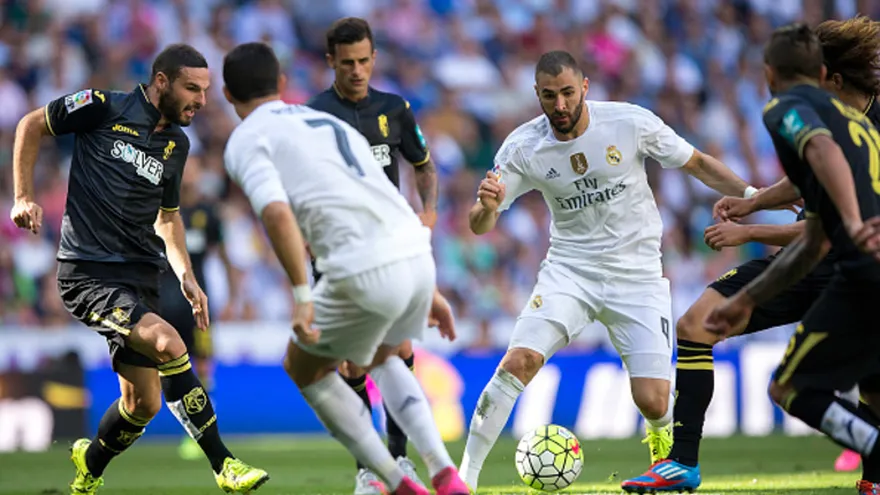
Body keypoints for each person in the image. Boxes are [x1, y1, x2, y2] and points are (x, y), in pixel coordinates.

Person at [458, 49, 755, 492]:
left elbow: (695, 162)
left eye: (567, 93)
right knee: (516, 363)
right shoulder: (522, 147)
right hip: (569, 270)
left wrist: (754, 195)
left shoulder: (629, 122)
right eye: (548, 96)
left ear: (585, 89)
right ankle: (464, 480)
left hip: (636, 274)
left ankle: (661, 448)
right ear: (536, 95)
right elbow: (481, 225)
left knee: (653, 400)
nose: (559, 105)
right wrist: (484, 207)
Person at [623, 15, 880, 492]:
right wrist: (754, 200)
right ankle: (682, 461)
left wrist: (750, 230)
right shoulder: (848, 123)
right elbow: (813, 184)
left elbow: (821, 210)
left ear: (830, 79)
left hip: (844, 266)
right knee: (696, 324)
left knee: (827, 387)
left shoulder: (797, 109)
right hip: (836, 261)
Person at [8, 44, 268, 494]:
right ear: (162, 82)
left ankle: (88, 466)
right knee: (170, 342)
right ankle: (224, 464)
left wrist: (186, 273)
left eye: (205, 91)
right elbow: (31, 124)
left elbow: (168, 218)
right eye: (192, 88)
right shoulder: (102, 107)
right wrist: (23, 195)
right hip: (89, 274)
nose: (201, 101)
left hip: (140, 280)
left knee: (142, 403)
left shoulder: (177, 145)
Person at [221, 42, 468, 495]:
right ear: (280, 85)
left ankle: (391, 480)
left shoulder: (245, 140)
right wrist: (428, 288)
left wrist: (301, 296)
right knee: (381, 355)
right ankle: (442, 470)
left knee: (304, 368)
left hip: (363, 265)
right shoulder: (325, 122)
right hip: (414, 251)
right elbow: (389, 194)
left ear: (226, 93)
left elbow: (276, 213)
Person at [705, 24, 880, 495]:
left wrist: (850, 219)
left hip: (865, 274)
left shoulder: (788, 108)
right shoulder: (860, 125)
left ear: (769, 73)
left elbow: (821, 155)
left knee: (793, 388)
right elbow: (814, 233)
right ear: (821, 71)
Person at [306, 18, 439, 493]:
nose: (358, 71)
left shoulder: (394, 109)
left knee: (401, 349)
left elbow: (422, 166)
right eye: (348, 63)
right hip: (338, 252)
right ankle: (368, 466)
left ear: (374, 58)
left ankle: (399, 461)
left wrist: (429, 214)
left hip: (392, 248)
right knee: (351, 365)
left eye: (364, 61)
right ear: (331, 62)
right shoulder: (314, 115)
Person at [157, 157, 239, 460]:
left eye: (193, 168)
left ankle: (200, 431)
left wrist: (233, 297)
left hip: (198, 305)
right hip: (162, 303)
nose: (187, 173)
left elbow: (226, 257)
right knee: (166, 369)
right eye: (183, 168)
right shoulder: (160, 212)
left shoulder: (207, 213)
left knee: (204, 366)